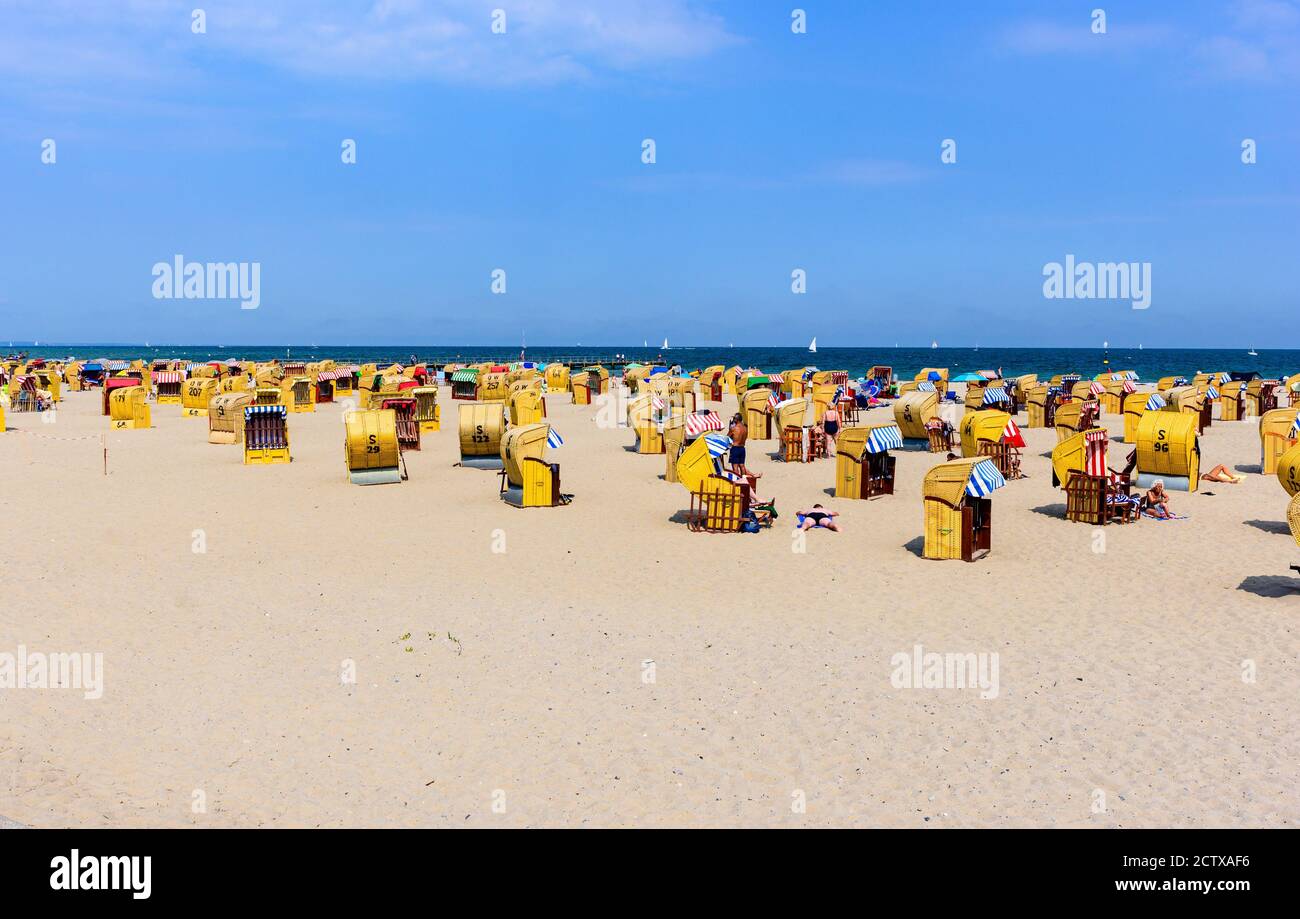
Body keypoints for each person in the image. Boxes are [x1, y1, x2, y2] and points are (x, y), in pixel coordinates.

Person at [728, 413, 758, 477]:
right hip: (742, 448)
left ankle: (737, 480)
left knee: (735, 466)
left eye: (734, 418)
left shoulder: (734, 428)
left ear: (737, 419)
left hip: (735, 448)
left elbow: (727, 438)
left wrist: (729, 429)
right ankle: (744, 479)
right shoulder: (745, 428)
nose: (733, 420)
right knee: (742, 465)